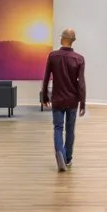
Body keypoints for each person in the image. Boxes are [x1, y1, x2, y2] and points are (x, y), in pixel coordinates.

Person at [41, 28, 86, 172]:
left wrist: (44, 96)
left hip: (58, 99)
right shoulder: (79, 59)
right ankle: (68, 159)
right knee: (70, 129)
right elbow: (81, 82)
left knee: (58, 128)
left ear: (64, 39)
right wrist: (83, 102)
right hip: (73, 100)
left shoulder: (53, 56)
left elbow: (47, 77)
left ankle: (60, 153)